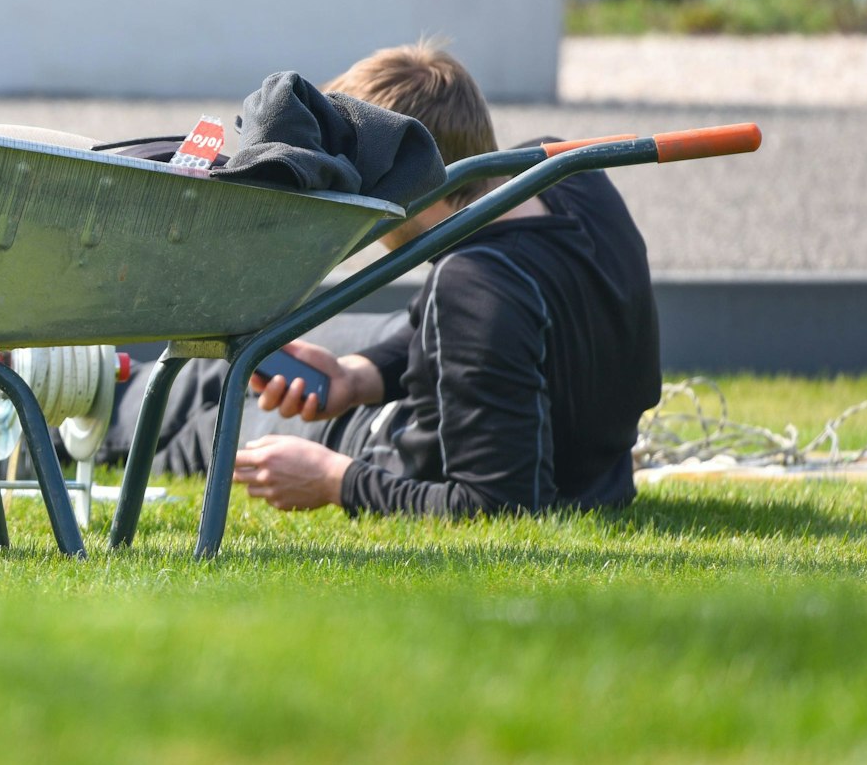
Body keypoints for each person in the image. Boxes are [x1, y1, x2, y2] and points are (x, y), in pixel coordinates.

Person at [114, 41, 661, 517]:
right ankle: (107, 384)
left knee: (216, 421)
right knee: (271, 354)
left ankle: (91, 406)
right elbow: (494, 340)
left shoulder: (473, 288)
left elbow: (498, 503)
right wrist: (361, 377)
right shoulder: (572, 182)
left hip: (388, 449)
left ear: (393, 181)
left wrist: (334, 480)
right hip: (596, 465)